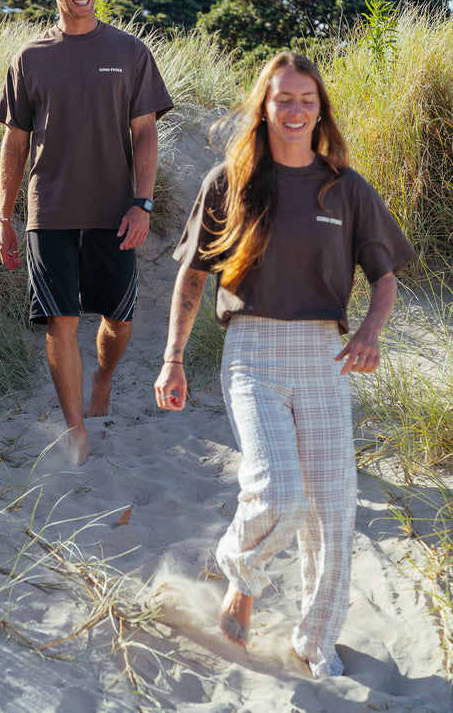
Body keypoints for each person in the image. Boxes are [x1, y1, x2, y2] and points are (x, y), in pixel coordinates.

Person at [154, 52, 415, 678]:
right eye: (283, 99)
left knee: (332, 509)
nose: (296, 111)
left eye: (307, 100)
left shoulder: (345, 187)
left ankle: (314, 643)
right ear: (264, 106)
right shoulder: (231, 180)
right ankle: (240, 577)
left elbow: (385, 280)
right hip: (253, 351)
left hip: (325, 354)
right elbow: (192, 276)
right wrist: (173, 359)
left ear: (320, 108)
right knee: (278, 489)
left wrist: (372, 334)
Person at [0, 0, 173, 466]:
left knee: (117, 319)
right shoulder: (30, 57)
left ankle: (104, 376)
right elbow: (15, 142)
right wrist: (4, 217)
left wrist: (142, 202)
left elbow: (145, 134)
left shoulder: (129, 52)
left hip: (114, 208)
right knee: (61, 319)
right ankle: (75, 429)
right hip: (48, 209)